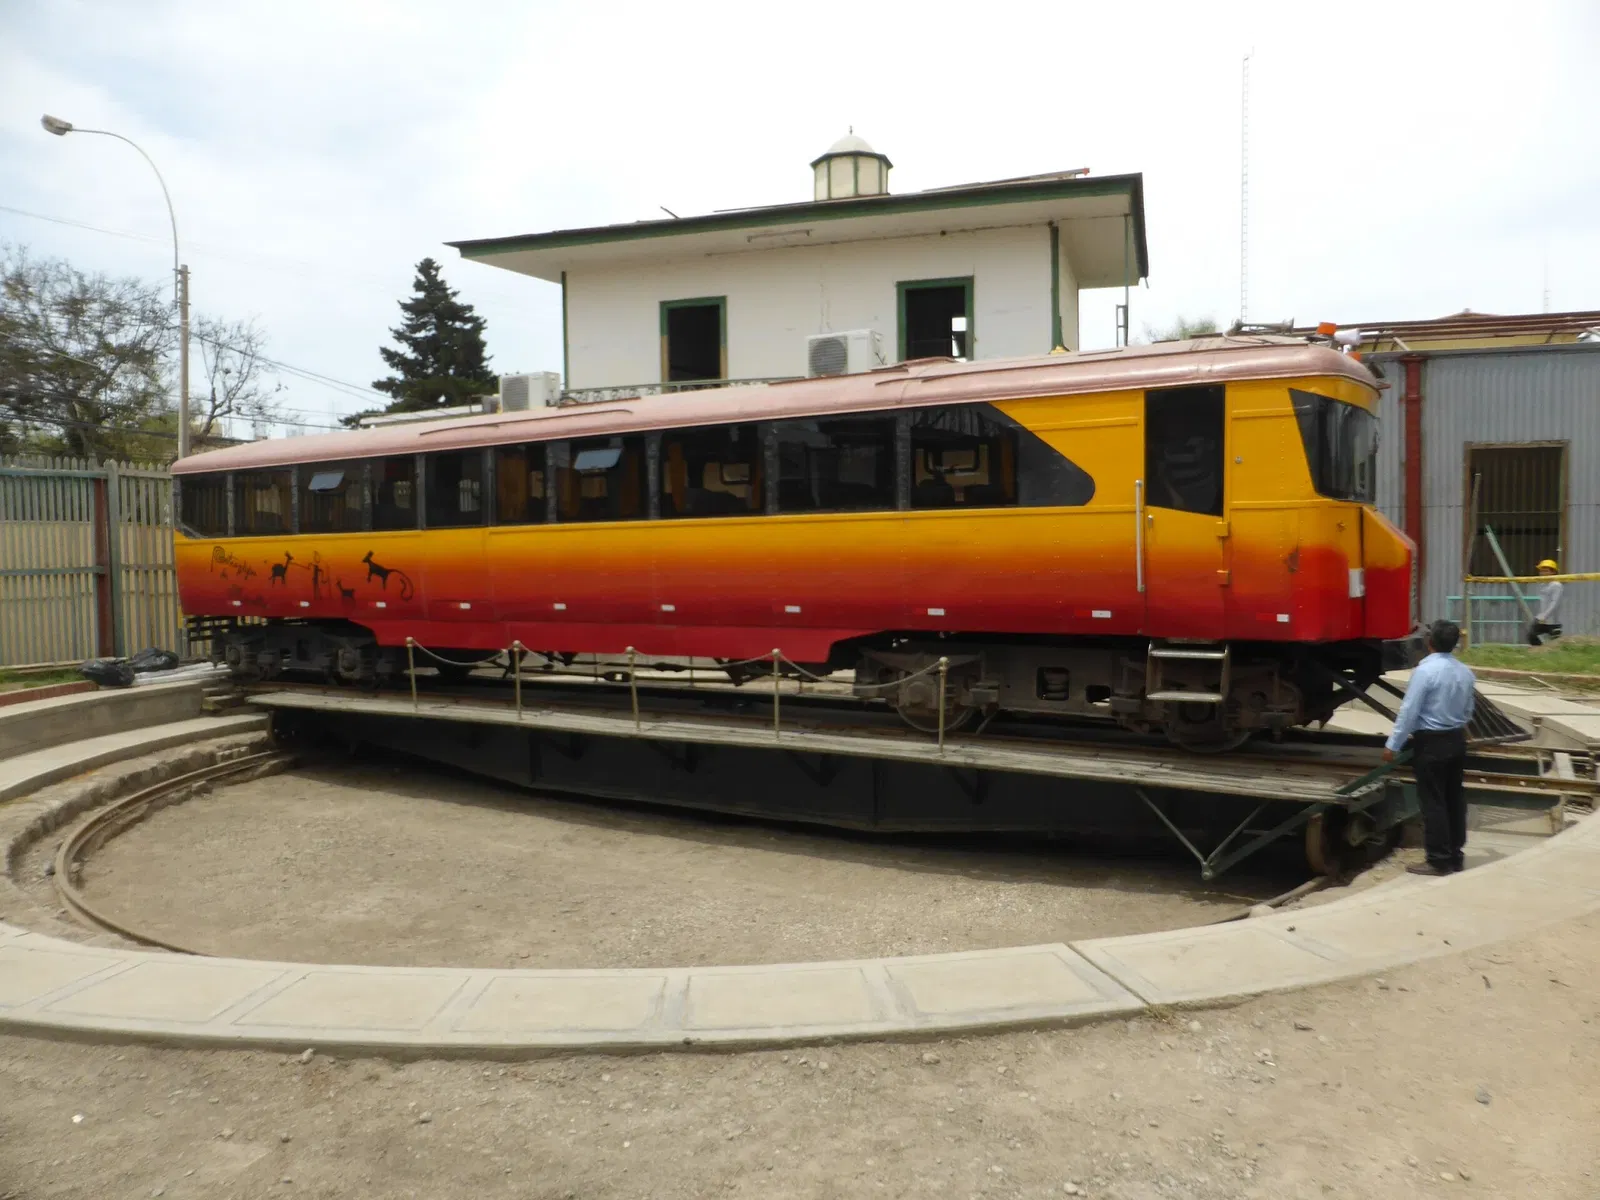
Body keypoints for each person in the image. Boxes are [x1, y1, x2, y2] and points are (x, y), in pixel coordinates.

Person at [1382, 618, 1476, 876]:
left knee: (1433, 801)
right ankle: (1455, 854)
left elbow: (1409, 711)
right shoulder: (1465, 672)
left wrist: (1394, 744)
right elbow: (1469, 710)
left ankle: (1438, 860)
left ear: (1428, 642)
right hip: (1456, 740)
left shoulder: (1425, 672)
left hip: (1431, 742)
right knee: (1454, 797)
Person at [1526, 559, 1564, 646]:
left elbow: (1554, 603)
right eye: (1541, 571)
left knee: (1555, 644)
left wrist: (1544, 616)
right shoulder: (1543, 584)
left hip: (1553, 621)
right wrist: (1539, 616)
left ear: (1553, 572)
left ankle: (1551, 655)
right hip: (1541, 619)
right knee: (1531, 635)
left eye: (1545, 571)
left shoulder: (1556, 585)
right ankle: (1539, 652)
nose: (1542, 573)